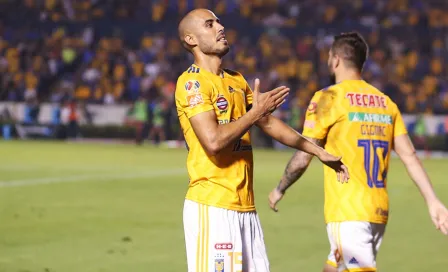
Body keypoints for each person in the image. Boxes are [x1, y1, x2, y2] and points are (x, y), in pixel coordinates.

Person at [175, 9, 349, 272]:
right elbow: (213, 141)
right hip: (213, 207)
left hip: (245, 208)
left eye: (219, 22)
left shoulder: (236, 80)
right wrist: (254, 113)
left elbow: (267, 122)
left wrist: (316, 151)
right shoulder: (192, 83)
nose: (220, 27)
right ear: (191, 39)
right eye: (210, 24)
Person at [268, 32, 448, 272]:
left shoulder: (328, 98)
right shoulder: (386, 103)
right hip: (378, 212)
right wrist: (433, 201)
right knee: (334, 267)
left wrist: (280, 187)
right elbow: (410, 156)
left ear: (335, 60)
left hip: (348, 211)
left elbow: (304, 154)